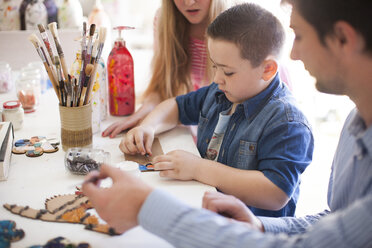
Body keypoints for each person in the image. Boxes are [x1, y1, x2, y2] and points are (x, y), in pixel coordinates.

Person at [83, 0, 372, 246]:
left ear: (344, 38)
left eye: (300, 36)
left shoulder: (288, 120)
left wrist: (149, 204)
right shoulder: (355, 125)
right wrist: (259, 227)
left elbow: (278, 195)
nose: (293, 54)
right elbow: (335, 225)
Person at [119, 3, 313, 217]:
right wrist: (148, 126)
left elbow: (275, 193)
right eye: (214, 66)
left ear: (267, 69)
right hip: (206, 214)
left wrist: (198, 168)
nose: (217, 78)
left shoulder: (287, 122)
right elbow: (176, 106)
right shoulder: (220, 91)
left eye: (228, 72)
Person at [102, 0, 231, 138]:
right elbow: (162, 87)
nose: (189, 2)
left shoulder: (237, 23)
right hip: (191, 119)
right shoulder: (164, 19)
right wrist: (142, 117)